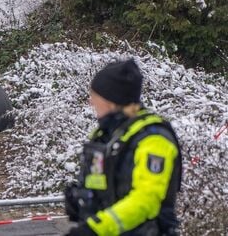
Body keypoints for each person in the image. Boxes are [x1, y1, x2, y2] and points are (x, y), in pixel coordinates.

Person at [64, 60, 182, 236]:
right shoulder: (108, 134)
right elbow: (106, 185)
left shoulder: (154, 140)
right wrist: (82, 201)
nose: (91, 102)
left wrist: (96, 228)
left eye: (94, 96)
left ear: (111, 101)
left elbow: (145, 201)